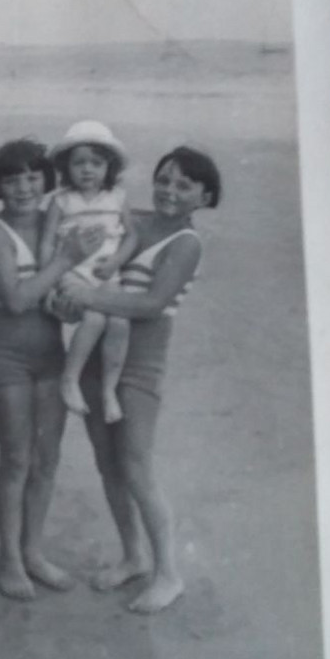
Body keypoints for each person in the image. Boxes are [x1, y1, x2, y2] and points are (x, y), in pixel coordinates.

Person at [59, 145, 221, 613]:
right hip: (93, 354)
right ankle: (133, 556)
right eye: (164, 180)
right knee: (108, 463)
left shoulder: (186, 244)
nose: (170, 191)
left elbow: (151, 305)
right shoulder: (133, 219)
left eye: (184, 185)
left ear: (204, 197)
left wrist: (90, 296)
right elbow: (81, 270)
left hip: (141, 363)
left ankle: (168, 573)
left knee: (136, 465)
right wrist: (67, 301)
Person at [0, 138, 103, 601]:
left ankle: (33, 551)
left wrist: (71, 304)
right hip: (2, 358)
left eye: (33, 177)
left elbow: (52, 302)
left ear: (47, 180)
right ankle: (9, 558)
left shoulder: (56, 226)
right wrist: (67, 260)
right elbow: (15, 299)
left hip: (50, 355)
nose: (24, 187)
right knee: (16, 458)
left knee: (46, 460)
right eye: (12, 179)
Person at [40, 120, 138, 422]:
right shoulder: (61, 200)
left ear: (109, 167)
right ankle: (70, 378)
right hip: (73, 273)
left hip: (106, 273)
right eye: (79, 163)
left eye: (96, 163)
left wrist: (115, 262)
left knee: (120, 322)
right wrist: (50, 282)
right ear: (66, 167)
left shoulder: (117, 197)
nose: (87, 170)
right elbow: (46, 243)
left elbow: (131, 236)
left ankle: (109, 390)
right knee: (95, 319)